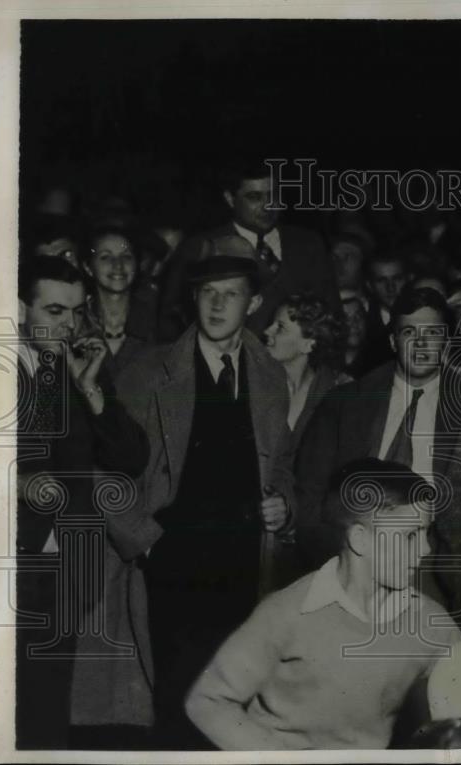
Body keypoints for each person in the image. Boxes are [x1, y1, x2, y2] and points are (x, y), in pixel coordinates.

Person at [112, 234, 295, 748]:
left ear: (254, 303)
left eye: (231, 294)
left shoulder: (269, 377)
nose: (217, 304)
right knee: (175, 708)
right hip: (172, 568)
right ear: (193, 297)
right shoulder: (146, 374)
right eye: (207, 292)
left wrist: (284, 503)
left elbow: (282, 465)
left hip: (243, 569)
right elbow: (106, 476)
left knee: (231, 706)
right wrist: (146, 540)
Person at [184, 458, 461, 750]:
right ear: (361, 540)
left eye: (426, 532)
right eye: (410, 536)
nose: (426, 548)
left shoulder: (430, 622)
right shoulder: (286, 611)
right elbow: (207, 701)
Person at [15, 256, 150, 748]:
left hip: (65, 573)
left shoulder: (76, 367)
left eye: (75, 312)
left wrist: (91, 389)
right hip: (7, 569)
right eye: (54, 311)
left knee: (46, 713)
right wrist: (17, 483)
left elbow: (132, 457)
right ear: (16, 307)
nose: (68, 326)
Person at [294, 287, 461, 619]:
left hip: (435, 565)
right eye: (409, 333)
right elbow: (310, 492)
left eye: (433, 333)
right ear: (393, 342)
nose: (422, 344)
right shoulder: (345, 403)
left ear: (448, 342)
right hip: (355, 560)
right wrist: (331, 561)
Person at [157, 160, 340, 339]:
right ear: (230, 199)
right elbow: (171, 320)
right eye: (255, 197)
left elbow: (333, 314)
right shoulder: (202, 247)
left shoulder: (308, 244)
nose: (268, 205)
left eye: (273, 195)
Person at [262, 293, 352, 451]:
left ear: (308, 344)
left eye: (280, 328)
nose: (267, 331)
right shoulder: (256, 383)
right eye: (272, 324)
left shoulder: (335, 391)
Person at [80, 227, 156, 376]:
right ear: (88, 267)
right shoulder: (76, 322)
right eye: (106, 257)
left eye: (126, 256)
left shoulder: (157, 321)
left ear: (137, 264)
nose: (118, 265)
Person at [362, 250, 410, 371]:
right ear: (369, 286)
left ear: (408, 280)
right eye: (381, 281)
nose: (390, 287)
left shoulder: (425, 319)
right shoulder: (361, 323)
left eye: (397, 279)